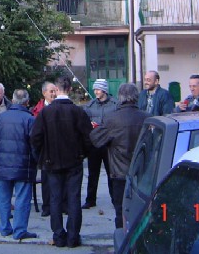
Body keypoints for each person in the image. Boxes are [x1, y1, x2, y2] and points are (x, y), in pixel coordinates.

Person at [30, 76, 92, 248]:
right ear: (70, 89)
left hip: (52, 161)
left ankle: (58, 235)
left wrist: (42, 156)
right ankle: (73, 236)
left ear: (56, 90)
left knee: (55, 199)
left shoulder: (45, 113)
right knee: (73, 199)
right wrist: (82, 154)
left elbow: (35, 138)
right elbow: (89, 138)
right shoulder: (78, 112)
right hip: (74, 161)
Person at [90, 83, 150, 229]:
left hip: (119, 172)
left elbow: (96, 139)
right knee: (142, 212)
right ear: (136, 97)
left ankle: (122, 243)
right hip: (141, 172)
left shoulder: (112, 119)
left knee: (120, 212)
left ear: (120, 98)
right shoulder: (146, 117)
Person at [0, 89, 38, 240]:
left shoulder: (1, 117)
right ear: (26, 102)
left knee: (4, 198)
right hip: (24, 165)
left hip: (3, 164)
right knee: (22, 199)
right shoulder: (30, 119)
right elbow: (35, 144)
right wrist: (37, 160)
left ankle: (4, 227)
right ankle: (19, 230)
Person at [82, 78, 118, 210]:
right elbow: (84, 122)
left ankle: (115, 199)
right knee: (93, 173)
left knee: (111, 173)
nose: (95, 91)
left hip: (109, 144)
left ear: (104, 90)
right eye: (95, 89)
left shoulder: (115, 105)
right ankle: (90, 200)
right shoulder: (90, 106)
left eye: (98, 89)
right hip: (95, 144)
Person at [31, 81, 57, 217]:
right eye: (51, 91)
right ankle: (47, 206)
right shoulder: (38, 109)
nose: (53, 94)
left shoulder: (61, 107)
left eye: (54, 91)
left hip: (59, 149)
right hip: (45, 151)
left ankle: (61, 205)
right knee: (46, 181)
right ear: (44, 93)